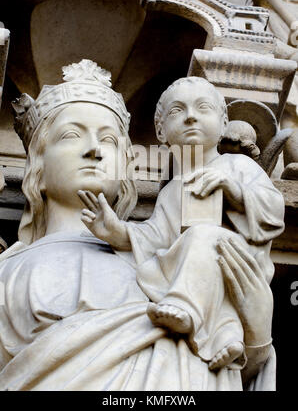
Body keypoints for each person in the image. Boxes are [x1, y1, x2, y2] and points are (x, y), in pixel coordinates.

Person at [0, 63, 278, 390]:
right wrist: (119, 233)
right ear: (38, 165)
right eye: (71, 135)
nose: (94, 150)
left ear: (127, 165)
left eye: (108, 140)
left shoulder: (162, 266)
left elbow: (228, 370)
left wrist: (256, 335)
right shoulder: (7, 272)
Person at [80, 77, 284, 372]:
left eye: (203, 108)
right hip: (200, 270)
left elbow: (273, 210)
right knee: (191, 247)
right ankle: (226, 338)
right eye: (177, 111)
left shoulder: (237, 166)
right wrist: (118, 233)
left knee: (203, 237)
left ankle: (186, 307)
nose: (191, 116)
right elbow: (157, 237)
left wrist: (234, 190)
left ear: (223, 120)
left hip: (237, 265)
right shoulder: (170, 191)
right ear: (161, 131)